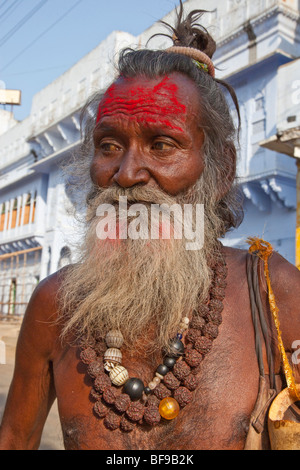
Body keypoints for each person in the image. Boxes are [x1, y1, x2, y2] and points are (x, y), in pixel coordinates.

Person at [0, 5, 299, 451]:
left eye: (162, 145)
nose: (126, 174)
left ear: (219, 172)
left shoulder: (274, 292)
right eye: (109, 145)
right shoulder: (54, 307)